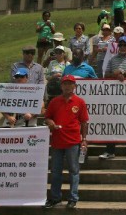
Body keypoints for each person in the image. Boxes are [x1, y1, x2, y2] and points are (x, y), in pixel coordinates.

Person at [44, 75, 89, 209]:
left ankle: (73, 198)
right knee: (56, 172)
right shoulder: (54, 102)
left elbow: (84, 122)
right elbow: (47, 118)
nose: (68, 86)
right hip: (57, 142)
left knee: (74, 171)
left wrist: (84, 139)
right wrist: (50, 122)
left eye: (70, 84)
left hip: (73, 142)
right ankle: (55, 198)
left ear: (75, 86)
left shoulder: (80, 102)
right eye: (65, 84)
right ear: (61, 86)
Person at [101, 36, 126, 160]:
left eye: (125, 45)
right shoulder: (113, 59)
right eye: (121, 45)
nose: (123, 47)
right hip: (114, 95)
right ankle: (110, 150)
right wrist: (115, 74)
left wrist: (123, 73)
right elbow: (106, 74)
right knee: (112, 121)